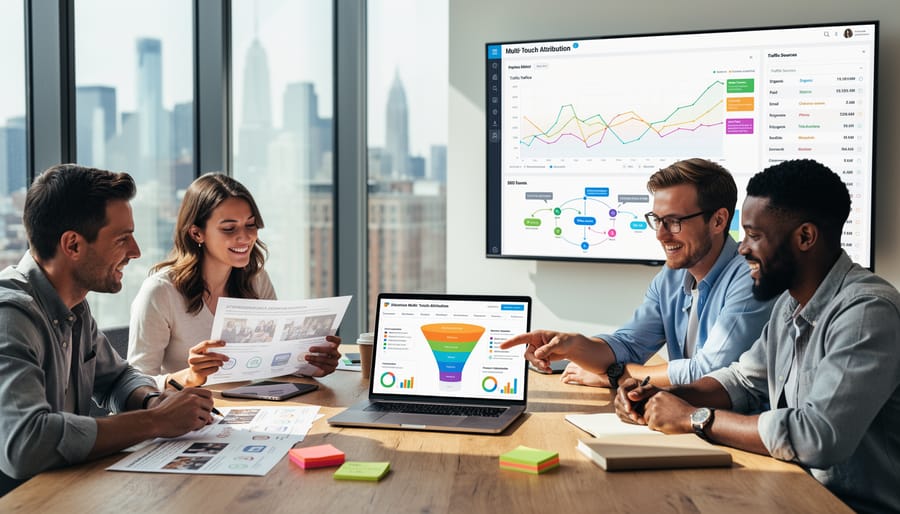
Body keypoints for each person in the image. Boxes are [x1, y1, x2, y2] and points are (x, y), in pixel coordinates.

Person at [615, 159, 900, 513]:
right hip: (792, 493)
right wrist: (664, 397)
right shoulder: (788, 305)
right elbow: (743, 381)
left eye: (755, 235)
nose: (743, 248)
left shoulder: (867, 312)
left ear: (805, 237)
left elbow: (818, 437)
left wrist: (695, 418)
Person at [0, 164, 215, 496]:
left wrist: (152, 403)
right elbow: (27, 443)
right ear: (72, 245)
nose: (136, 252)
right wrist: (156, 422)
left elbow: (116, 378)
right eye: (122, 239)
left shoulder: (74, 304)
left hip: (66, 492)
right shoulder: (10, 317)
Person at [502, 158, 774, 388]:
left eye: (674, 221)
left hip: (739, 434)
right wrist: (572, 345)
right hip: (683, 421)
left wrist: (616, 375)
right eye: (657, 220)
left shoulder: (750, 277)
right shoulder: (671, 277)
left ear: (718, 220)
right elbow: (629, 345)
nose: (660, 234)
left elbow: (709, 372)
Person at [127, 173, 341, 389]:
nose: (245, 237)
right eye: (229, 228)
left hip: (254, 408)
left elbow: (273, 362)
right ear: (196, 234)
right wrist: (190, 377)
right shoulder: (160, 292)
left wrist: (312, 366)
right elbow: (136, 385)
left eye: (251, 225)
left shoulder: (257, 280)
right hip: (190, 414)